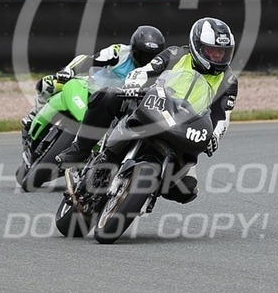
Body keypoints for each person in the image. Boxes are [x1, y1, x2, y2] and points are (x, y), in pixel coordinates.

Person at [56, 17, 238, 204]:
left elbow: (222, 115)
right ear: (197, 46)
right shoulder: (175, 54)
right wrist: (133, 84)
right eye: (211, 50)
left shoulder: (229, 80)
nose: (218, 56)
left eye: (223, 52)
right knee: (108, 96)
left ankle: (148, 191)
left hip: (184, 129)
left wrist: (214, 136)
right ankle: (79, 150)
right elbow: (146, 71)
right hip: (153, 107)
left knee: (187, 190)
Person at [20, 25, 166, 149]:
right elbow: (89, 60)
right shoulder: (120, 52)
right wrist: (69, 70)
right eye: (142, 54)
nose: (146, 59)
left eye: (151, 56)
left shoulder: (159, 70)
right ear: (133, 48)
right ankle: (32, 116)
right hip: (92, 86)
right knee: (50, 83)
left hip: (116, 107)